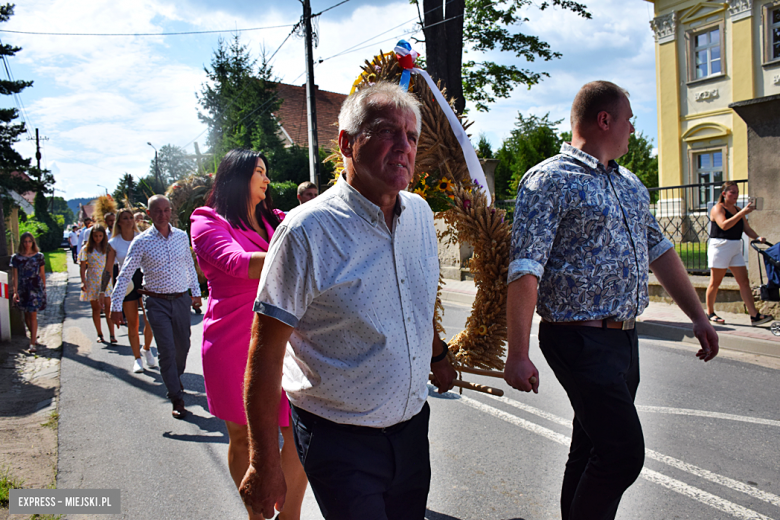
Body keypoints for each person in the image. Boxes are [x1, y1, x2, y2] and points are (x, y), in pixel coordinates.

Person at [239, 82, 457, 520]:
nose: (403, 147)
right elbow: (265, 355)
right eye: (386, 131)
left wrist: (438, 354)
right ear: (346, 142)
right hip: (339, 438)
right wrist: (263, 460)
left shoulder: (420, 215)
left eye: (411, 137)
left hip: (413, 428)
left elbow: (414, 302)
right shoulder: (306, 233)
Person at [504, 81, 720, 520]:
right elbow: (525, 268)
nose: (633, 131)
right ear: (605, 120)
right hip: (576, 339)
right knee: (623, 454)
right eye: (629, 121)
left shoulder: (630, 184)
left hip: (623, 340)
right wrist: (518, 353)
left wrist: (699, 316)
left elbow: (661, 251)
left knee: (592, 447)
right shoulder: (549, 180)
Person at [191, 149, 307, 520]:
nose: (267, 179)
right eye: (259, 171)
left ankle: (290, 516)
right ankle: (256, 515)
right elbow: (235, 263)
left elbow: (316, 226)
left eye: (267, 171)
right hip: (231, 341)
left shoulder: (278, 220)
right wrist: (296, 255)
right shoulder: (206, 220)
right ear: (237, 176)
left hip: (281, 341)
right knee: (242, 435)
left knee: (296, 437)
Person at [110, 195, 202, 420]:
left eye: (166, 210)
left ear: (171, 212)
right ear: (149, 214)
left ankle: (174, 377)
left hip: (181, 300)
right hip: (156, 302)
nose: (163, 215)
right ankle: (176, 397)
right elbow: (126, 274)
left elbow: (189, 264)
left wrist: (196, 293)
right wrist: (115, 305)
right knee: (167, 349)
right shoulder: (141, 241)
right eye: (158, 211)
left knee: (183, 345)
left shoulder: (181, 236)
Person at [706, 181, 773, 326]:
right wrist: (743, 212)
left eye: (737, 192)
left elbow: (746, 229)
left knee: (744, 281)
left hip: (735, 247)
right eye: (732, 192)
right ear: (724, 194)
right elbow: (724, 225)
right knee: (715, 282)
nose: (736, 195)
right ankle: (710, 313)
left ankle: (754, 315)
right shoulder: (718, 208)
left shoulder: (737, 209)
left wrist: (757, 237)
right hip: (720, 247)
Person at [105, 208, 157, 374]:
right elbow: (108, 270)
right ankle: (137, 359)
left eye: (130, 218)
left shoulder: (142, 238)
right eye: (125, 218)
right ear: (119, 222)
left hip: (143, 279)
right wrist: (103, 291)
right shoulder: (113, 243)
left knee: (151, 321)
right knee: (133, 323)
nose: (129, 221)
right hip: (126, 282)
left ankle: (146, 348)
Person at [11, 232, 46, 353]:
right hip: (23, 288)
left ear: (33, 242)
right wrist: (15, 292)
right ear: (22, 243)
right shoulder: (16, 258)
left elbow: (42, 273)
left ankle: (32, 343)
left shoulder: (39, 256)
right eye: (25, 241)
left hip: (35, 287)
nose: (27, 244)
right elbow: (14, 276)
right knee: (26, 314)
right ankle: (33, 335)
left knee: (33, 314)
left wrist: (44, 288)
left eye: (29, 241)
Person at [80, 224, 115, 343]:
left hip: (105, 279)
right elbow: (83, 266)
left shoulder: (108, 247)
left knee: (108, 307)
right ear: (91, 236)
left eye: (100, 236)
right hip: (92, 280)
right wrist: (83, 281)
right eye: (95, 236)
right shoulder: (87, 248)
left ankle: (112, 334)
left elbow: (111, 266)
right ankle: (99, 333)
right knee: (96, 309)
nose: (98, 238)